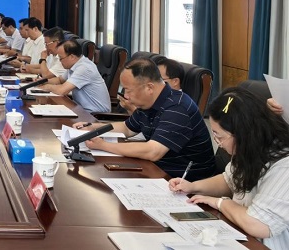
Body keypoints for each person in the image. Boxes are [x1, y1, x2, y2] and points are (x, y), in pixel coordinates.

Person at [169, 87, 289, 249]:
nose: (218, 143)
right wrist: (192, 186)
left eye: (219, 136)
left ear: (243, 133)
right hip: (240, 234)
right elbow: (229, 180)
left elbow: (259, 225)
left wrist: (220, 203)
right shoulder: (251, 148)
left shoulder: (284, 165)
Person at [74, 58, 215, 180]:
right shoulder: (148, 102)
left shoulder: (177, 108)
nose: (126, 96)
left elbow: (153, 152)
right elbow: (127, 128)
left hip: (184, 180)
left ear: (149, 88)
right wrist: (92, 127)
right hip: (157, 168)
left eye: (128, 90)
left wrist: (103, 145)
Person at [44, 39, 110, 113]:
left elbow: (62, 90)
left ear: (72, 57)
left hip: (94, 115)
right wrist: (43, 82)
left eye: (61, 58)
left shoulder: (84, 68)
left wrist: (47, 87)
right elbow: (60, 80)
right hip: (81, 109)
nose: (59, 61)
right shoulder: (74, 65)